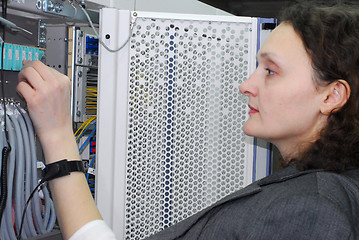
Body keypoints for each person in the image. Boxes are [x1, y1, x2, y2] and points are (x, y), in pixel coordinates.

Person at [16, 2, 359, 240]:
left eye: (270, 71)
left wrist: (59, 135)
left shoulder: (312, 211)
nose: (247, 85)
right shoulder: (310, 185)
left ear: (331, 97)